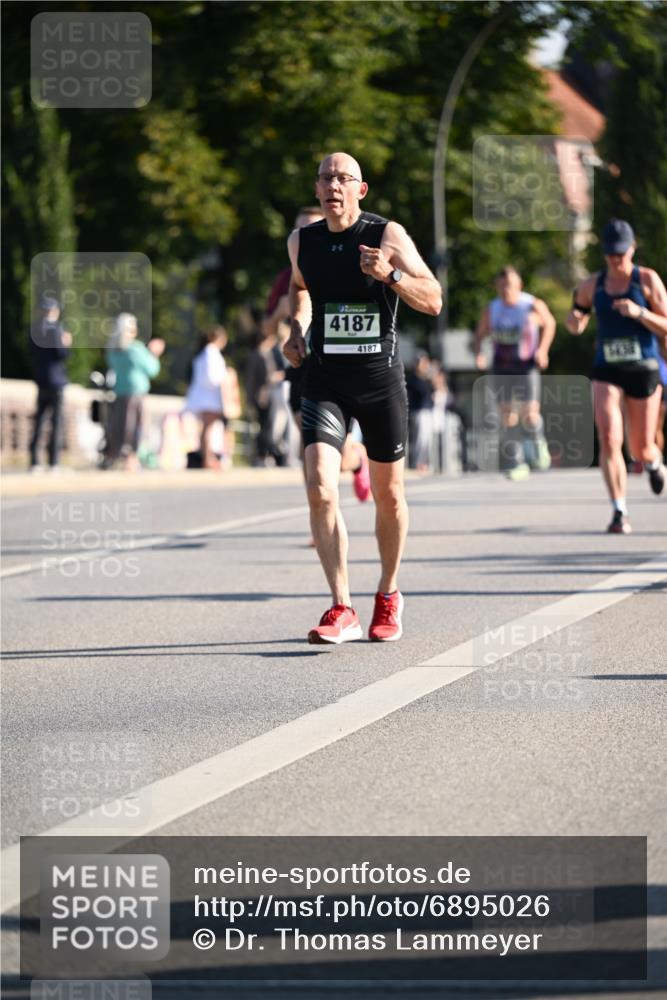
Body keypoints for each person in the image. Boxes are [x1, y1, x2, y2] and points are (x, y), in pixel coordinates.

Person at [283, 151, 441, 643]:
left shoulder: (385, 235)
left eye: (343, 178)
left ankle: (389, 593)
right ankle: (341, 606)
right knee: (319, 487)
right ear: (316, 190)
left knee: (389, 496)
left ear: (361, 189)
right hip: (326, 380)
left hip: (379, 383)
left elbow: (433, 299)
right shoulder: (300, 241)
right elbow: (301, 287)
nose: (333, 185)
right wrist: (296, 327)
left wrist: (389, 276)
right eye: (325, 178)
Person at [266, 207, 372, 503]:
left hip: (340, 363)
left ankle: (357, 461)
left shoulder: (346, 263)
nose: (306, 236)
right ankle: (319, 510)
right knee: (309, 442)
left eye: (312, 228)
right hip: (302, 363)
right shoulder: (285, 277)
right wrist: (279, 313)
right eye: (299, 231)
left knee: (337, 450)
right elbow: (265, 327)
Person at [567, 219, 667, 533]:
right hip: (606, 368)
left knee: (640, 446)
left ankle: (653, 462)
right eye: (611, 254)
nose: (616, 260)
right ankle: (619, 510)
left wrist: (640, 313)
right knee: (610, 437)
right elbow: (577, 315)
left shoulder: (647, 280)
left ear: (632, 249)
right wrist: (575, 321)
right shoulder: (592, 284)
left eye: (621, 253)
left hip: (643, 368)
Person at [474, 266, 556, 480]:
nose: (505, 290)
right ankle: (516, 462)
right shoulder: (491, 309)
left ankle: (538, 442)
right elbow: (480, 334)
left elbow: (550, 324)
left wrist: (543, 350)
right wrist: (480, 353)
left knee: (530, 414)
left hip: (526, 365)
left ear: (519, 286)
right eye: (501, 286)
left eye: (509, 285)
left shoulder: (531, 305)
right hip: (501, 367)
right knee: (508, 417)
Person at [104, 313, 165, 470]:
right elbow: (152, 369)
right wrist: (154, 353)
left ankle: (116, 455)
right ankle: (130, 458)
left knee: (120, 425)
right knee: (134, 426)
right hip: (136, 392)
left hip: (120, 391)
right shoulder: (135, 348)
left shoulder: (113, 349)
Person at [29, 295, 72, 470]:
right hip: (56, 381)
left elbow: (31, 352)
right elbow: (61, 354)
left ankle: (34, 461)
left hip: (41, 379)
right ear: (54, 311)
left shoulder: (34, 329)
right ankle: (54, 462)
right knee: (56, 421)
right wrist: (67, 343)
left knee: (39, 421)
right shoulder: (56, 329)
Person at [185, 325, 230, 469]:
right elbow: (212, 376)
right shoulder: (210, 353)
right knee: (208, 429)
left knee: (208, 429)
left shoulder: (204, 353)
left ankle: (207, 456)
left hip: (205, 397)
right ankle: (207, 457)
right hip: (209, 398)